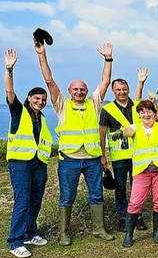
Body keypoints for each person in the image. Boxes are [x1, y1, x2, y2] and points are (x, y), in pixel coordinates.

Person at [35, 37, 115, 245]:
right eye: (75, 89)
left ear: (86, 92)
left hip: (92, 159)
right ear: (69, 92)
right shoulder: (61, 104)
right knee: (66, 197)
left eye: (82, 89)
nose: (79, 92)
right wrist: (42, 55)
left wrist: (108, 59)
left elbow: (105, 82)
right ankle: (64, 233)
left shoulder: (94, 103)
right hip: (69, 159)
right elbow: (49, 80)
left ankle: (99, 229)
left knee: (96, 195)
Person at [5, 48, 52, 258]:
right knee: (22, 201)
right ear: (29, 98)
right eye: (37, 98)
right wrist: (9, 69)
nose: (40, 102)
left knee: (36, 200)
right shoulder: (19, 111)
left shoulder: (41, 118)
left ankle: (29, 232)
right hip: (20, 163)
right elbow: (9, 92)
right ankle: (15, 241)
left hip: (38, 163)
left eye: (43, 99)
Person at [114, 97, 158, 247]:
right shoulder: (136, 126)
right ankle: (129, 234)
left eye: (149, 111)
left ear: (155, 114)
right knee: (135, 202)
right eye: (142, 112)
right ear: (139, 115)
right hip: (142, 172)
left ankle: (156, 232)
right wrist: (121, 132)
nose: (146, 114)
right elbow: (129, 131)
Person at [99, 69, 148, 233]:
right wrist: (102, 155)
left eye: (124, 89)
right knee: (120, 188)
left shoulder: (136, 106)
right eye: (118, 90)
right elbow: (102, 133)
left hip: (137, 155)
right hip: (119, 156)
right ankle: (122, 217)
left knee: (138, 188)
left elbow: (141, 101)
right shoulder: (107, 109)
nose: (122, 92)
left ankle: (138, 216)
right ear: (113, 91)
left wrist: (141, 83)